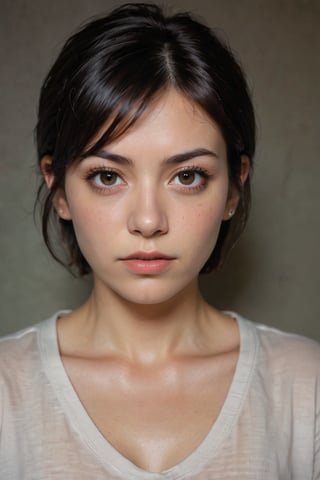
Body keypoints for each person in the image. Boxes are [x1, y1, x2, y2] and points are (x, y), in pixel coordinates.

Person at [0, 3, 319, 479]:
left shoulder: (306, 387)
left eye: (187, 175)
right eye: (108, 176)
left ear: (234, 186)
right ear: (58, 187)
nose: (148, 221)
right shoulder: (7, 390)